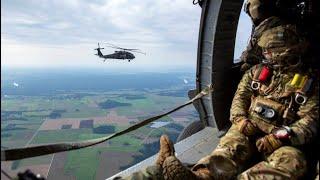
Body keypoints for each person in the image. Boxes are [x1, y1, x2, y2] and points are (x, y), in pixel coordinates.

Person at [158, 24, 319, 179]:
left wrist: (278, 138)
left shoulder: (310, 84)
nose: (264, 53)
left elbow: (310, 122)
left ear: (283, 52)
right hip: (248, 128)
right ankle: (202, 176)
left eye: (269, 50)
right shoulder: (256, 73)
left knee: (292, 162)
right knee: (228, 148)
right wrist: (240, 120)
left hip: (283, 141)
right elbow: (240, 98)